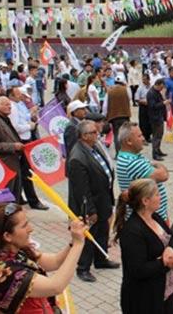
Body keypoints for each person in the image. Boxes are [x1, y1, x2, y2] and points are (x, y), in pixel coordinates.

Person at [0, 203, 86, 313]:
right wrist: (78, 244)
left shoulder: (17, 251)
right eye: (24, 226)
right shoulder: (4, 272)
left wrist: (73, 240)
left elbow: (55, 261)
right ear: (7, 236)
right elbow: (55, 286)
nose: (30, 229)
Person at [113, 179, 173, 314]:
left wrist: (170, 249)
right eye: (156, 194)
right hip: (144, 299)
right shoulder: (132, 231)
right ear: (145, 201)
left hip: (166, 293)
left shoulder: (154, 217)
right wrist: (164, 262)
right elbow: (137, 270)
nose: (160, 197)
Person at [67, 120, 119, 282]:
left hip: (103, 198)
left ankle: (101, 259)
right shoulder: (77, 158)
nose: (97, 134)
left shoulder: (93, 147)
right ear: (84, 136)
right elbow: (81, 190)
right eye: (93, 132)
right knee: (89, 236)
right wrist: (90, 211)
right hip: (90, 205)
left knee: (103, 231)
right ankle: (83, 268)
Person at [116, 122, 170, 221]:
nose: (143, 139)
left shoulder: (132, 156)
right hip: (150, 218)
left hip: (154, 214)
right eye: (139, 136)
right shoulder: (132, 163)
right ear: (129, 141)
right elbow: (163, 176)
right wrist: (157, 164)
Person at [103, 74, 131, 153]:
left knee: (116, 134)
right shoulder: (126, 90)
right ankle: (125, 152)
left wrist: (105, 116)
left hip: (114, 116)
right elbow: (130, 98)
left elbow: (105, 106)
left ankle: (118, 153)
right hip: (125, 115)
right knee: (125, 134)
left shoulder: (110, 91)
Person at [147, 78, 169, 161]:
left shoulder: (157, 92)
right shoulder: (151, 93)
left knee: (160, 134)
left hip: (159, 116)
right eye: (161, 87)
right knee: (156, 136)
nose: (162, 89)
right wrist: (163, 103)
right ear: (158, 85)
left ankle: (158, 150)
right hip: (154, 117)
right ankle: (155, 153)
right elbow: (153, 106)